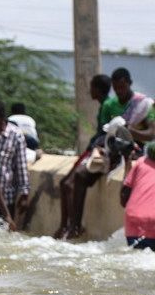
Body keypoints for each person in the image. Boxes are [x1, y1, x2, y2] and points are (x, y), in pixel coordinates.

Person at [57, 69, 151, 239]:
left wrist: (128, 132)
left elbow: (152, 134)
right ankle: (75, 227)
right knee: (79, 176)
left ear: (129, 84)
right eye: (116, 88)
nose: (119, 92)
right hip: (111, 151)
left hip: (135, 153)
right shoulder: (109, 105)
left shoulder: (143, 105)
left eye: (122, 87)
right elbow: (103, 132)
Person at [0, 101, 29, 219]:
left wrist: (24, 193)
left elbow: (21, 165)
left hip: (6, 196)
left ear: (2, 117)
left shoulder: (15, 135)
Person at [121, 142, 155, 250]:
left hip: (133, 217)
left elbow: (124, 193)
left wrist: (127, 164)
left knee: (136, 255)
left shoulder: (141, 163)